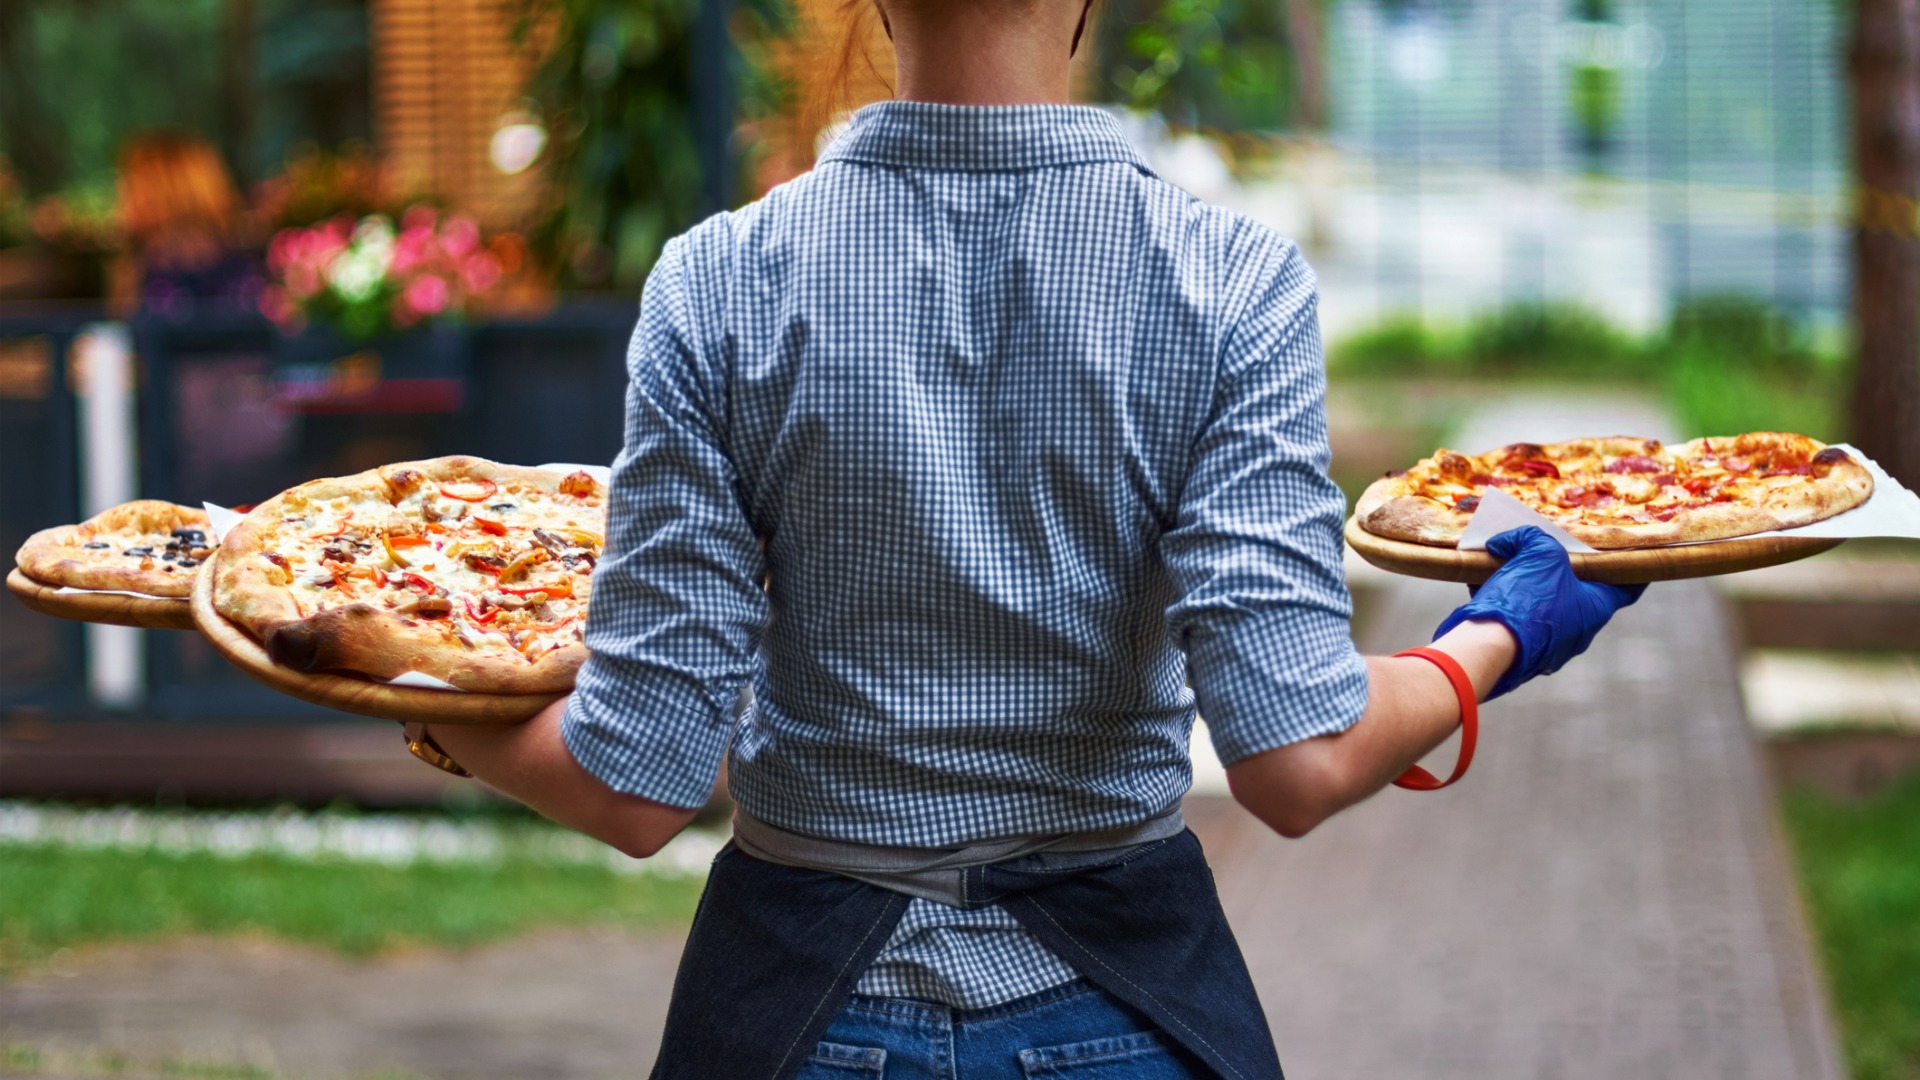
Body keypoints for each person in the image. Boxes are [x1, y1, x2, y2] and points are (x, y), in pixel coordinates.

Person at [408, 0, 1644, 1074]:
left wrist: (404, 687)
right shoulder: (1231, 282)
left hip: (789, 1011)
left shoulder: (715, 284)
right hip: (1127, 1000)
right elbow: (1300, 762)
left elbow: (635, 783)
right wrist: (1499, 637)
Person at [111, 131, 263, 317]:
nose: (123, 195)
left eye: (131, 183)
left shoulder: (236, 278)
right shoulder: (137, 264)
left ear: (166, 191)